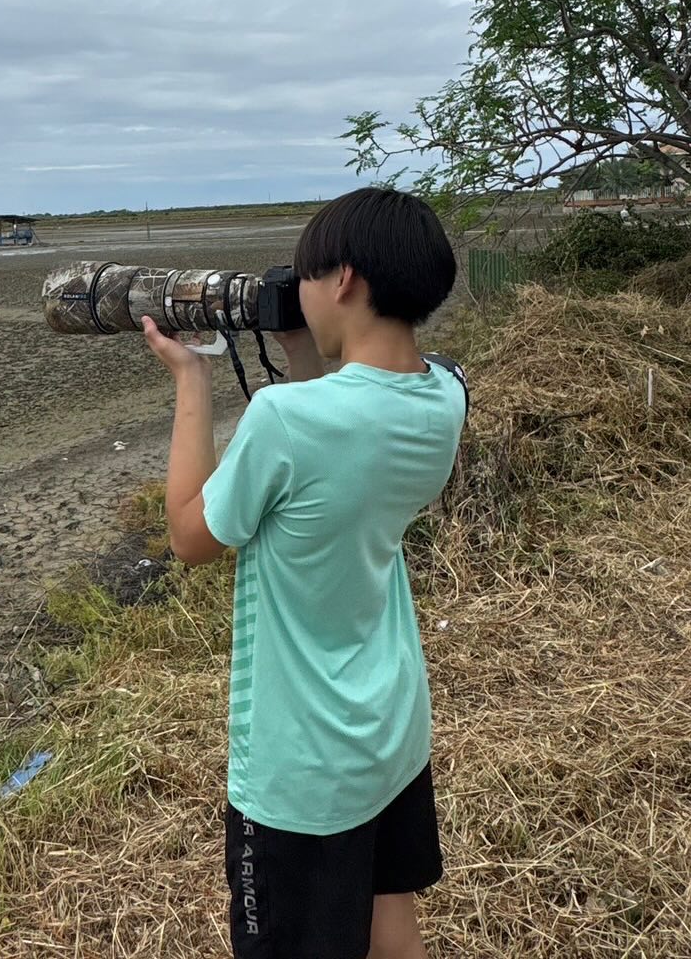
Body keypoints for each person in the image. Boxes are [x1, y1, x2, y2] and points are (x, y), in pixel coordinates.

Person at [142, 187, 465, 959]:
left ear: (344, 278)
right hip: (389, 727)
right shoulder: (445, 396)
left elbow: (191, 534)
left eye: (307, 276)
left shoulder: (286, 423)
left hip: (302, 764)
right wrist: (300, 350)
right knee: (390, 913)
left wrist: (191, 379)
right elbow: (344, 430)